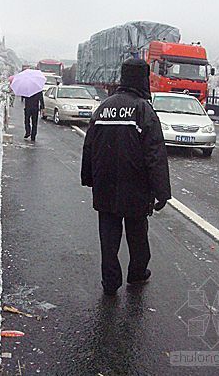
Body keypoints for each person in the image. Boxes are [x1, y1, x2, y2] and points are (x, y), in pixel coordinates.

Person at [81, 58, 171, 295]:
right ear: (143, 79)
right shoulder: (144, 110)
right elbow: (155, 154)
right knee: (137, 233)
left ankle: (110, 282)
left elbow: (89, 145)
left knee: (108, 237)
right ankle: (137, 273)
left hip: (105, 184)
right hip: (136, 186)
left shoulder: (103, 107)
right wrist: (162, 192)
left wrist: (89, 178)